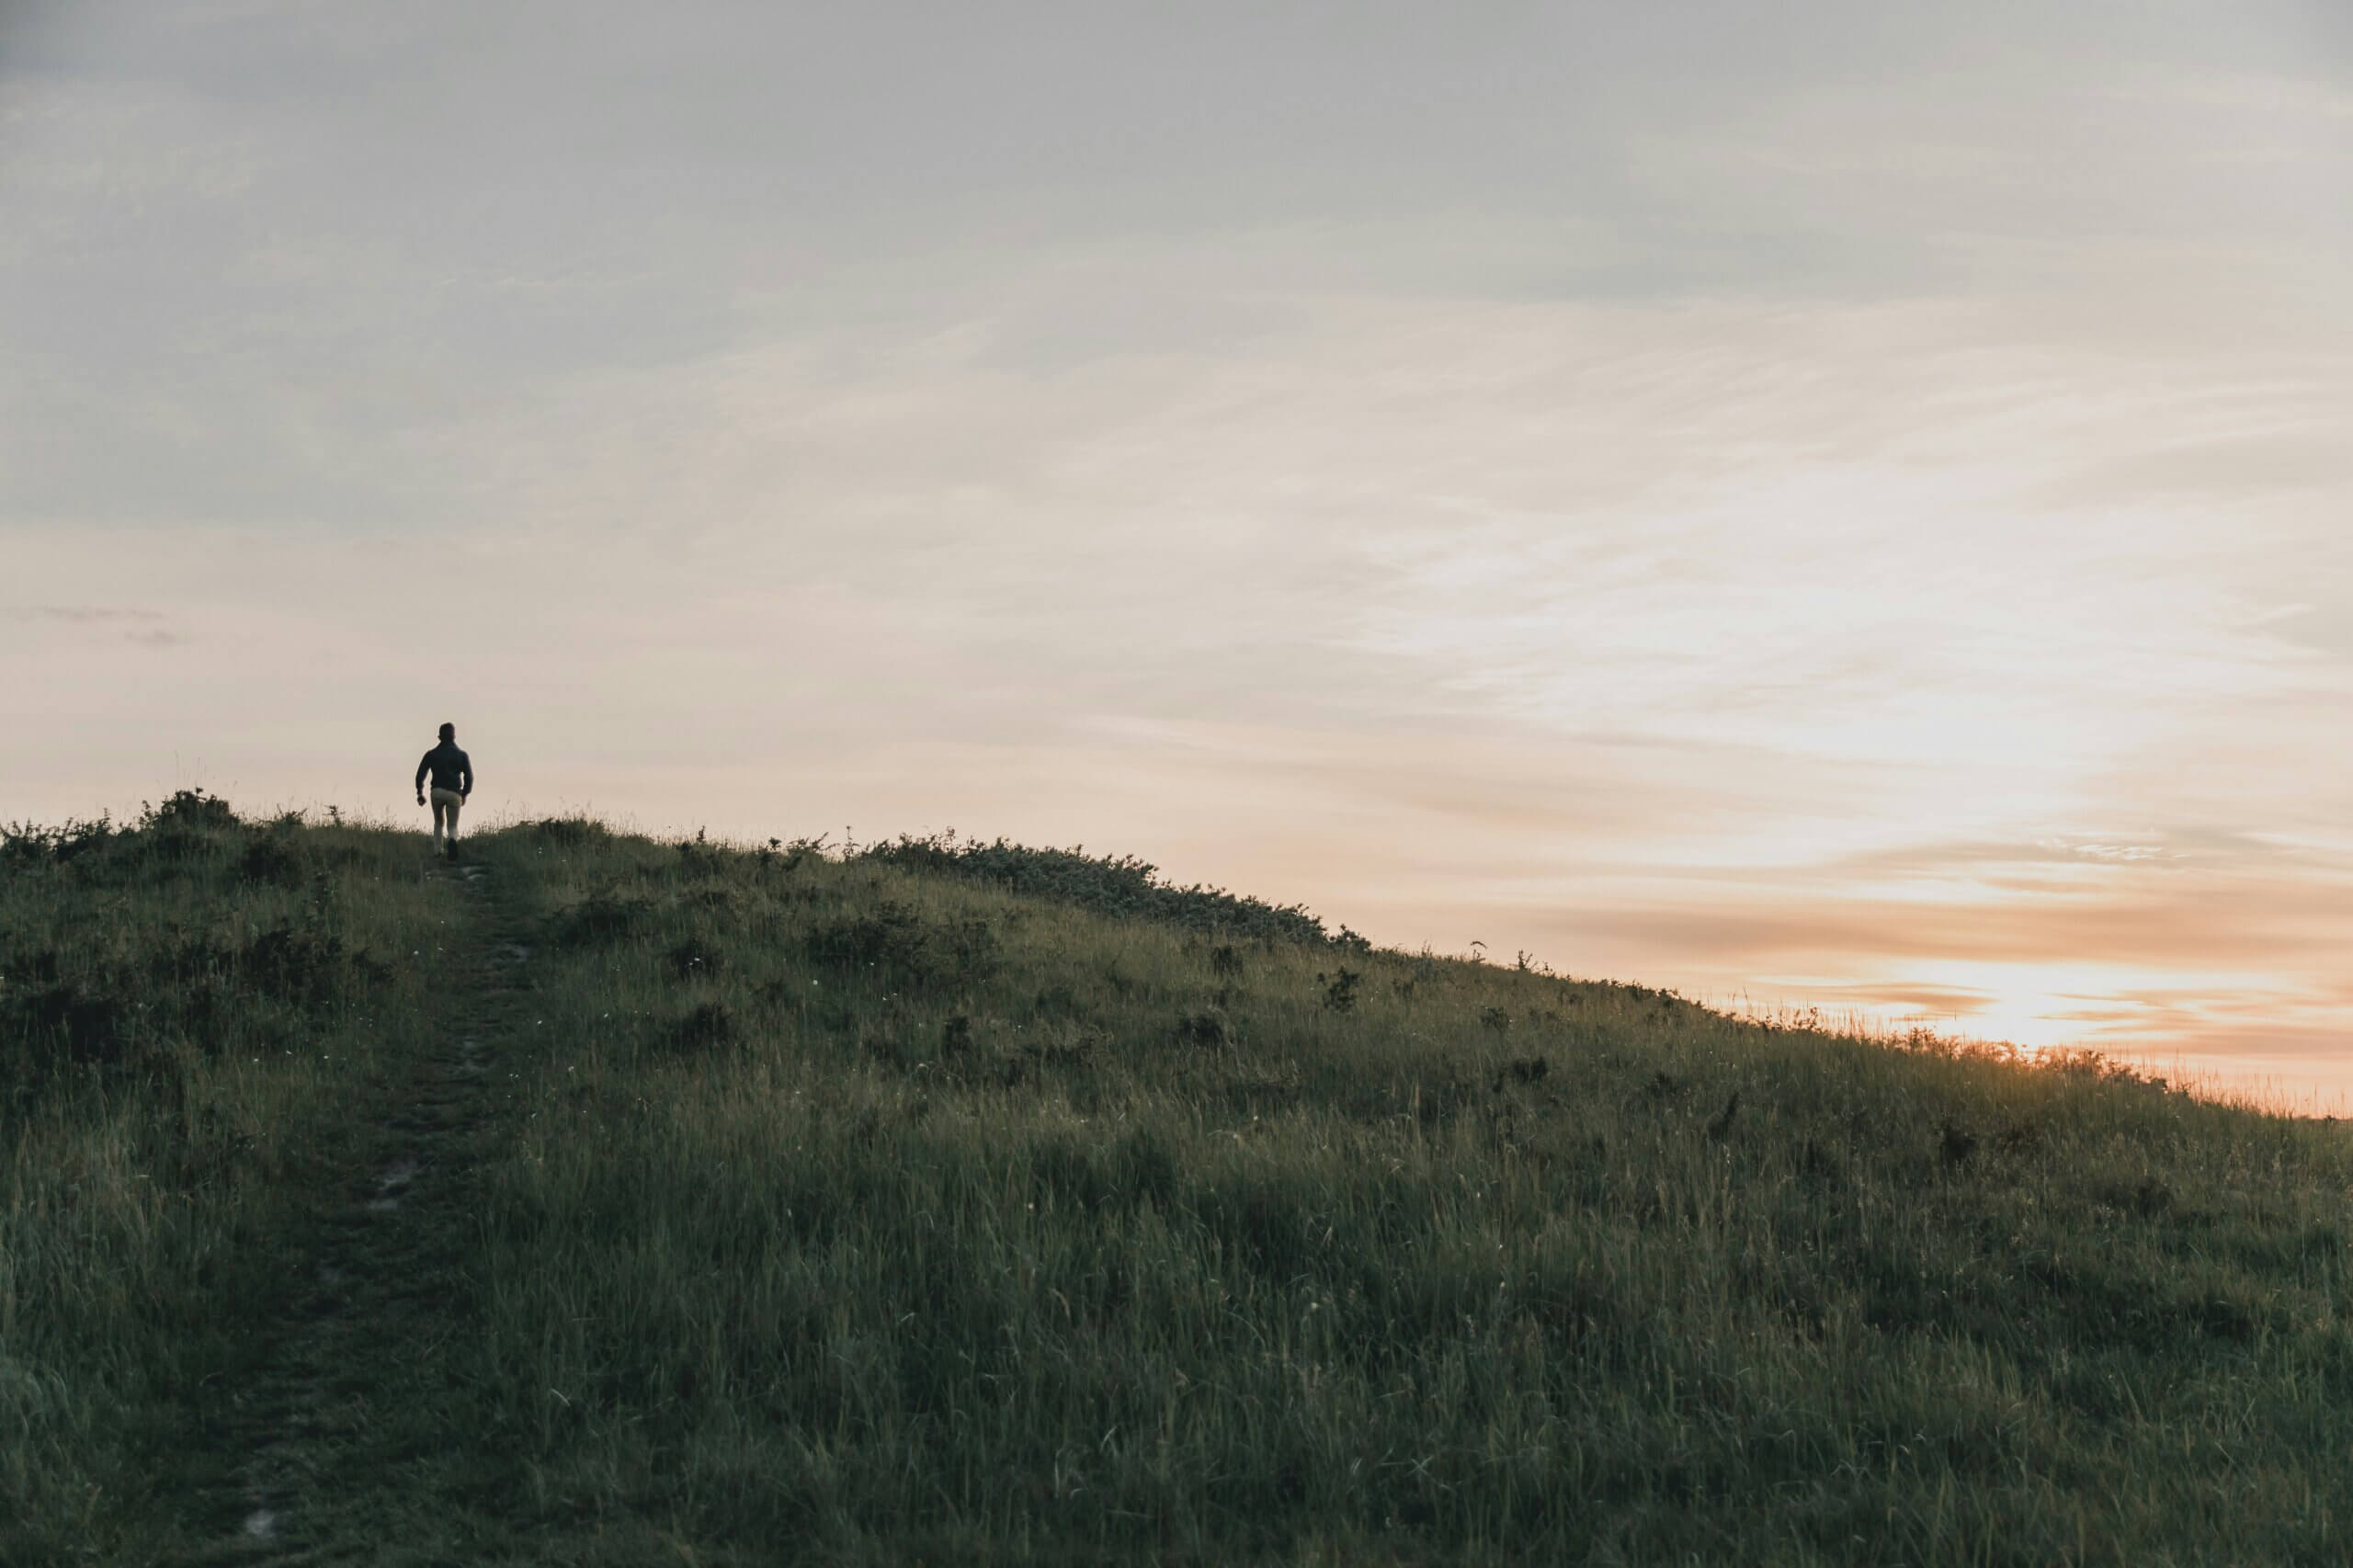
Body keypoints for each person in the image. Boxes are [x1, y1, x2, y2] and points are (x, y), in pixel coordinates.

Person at [415, 722, 473, 860]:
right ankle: (452, 840)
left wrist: (419, 792)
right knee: (452, 825)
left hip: (437, 792)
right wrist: (464, 793)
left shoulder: (431, 754)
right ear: (454, 736)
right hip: (454, 793)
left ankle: (438, 851)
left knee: (438, 821)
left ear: (439, 737)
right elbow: (469, 777)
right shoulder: (462, 755)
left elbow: (420, 774)